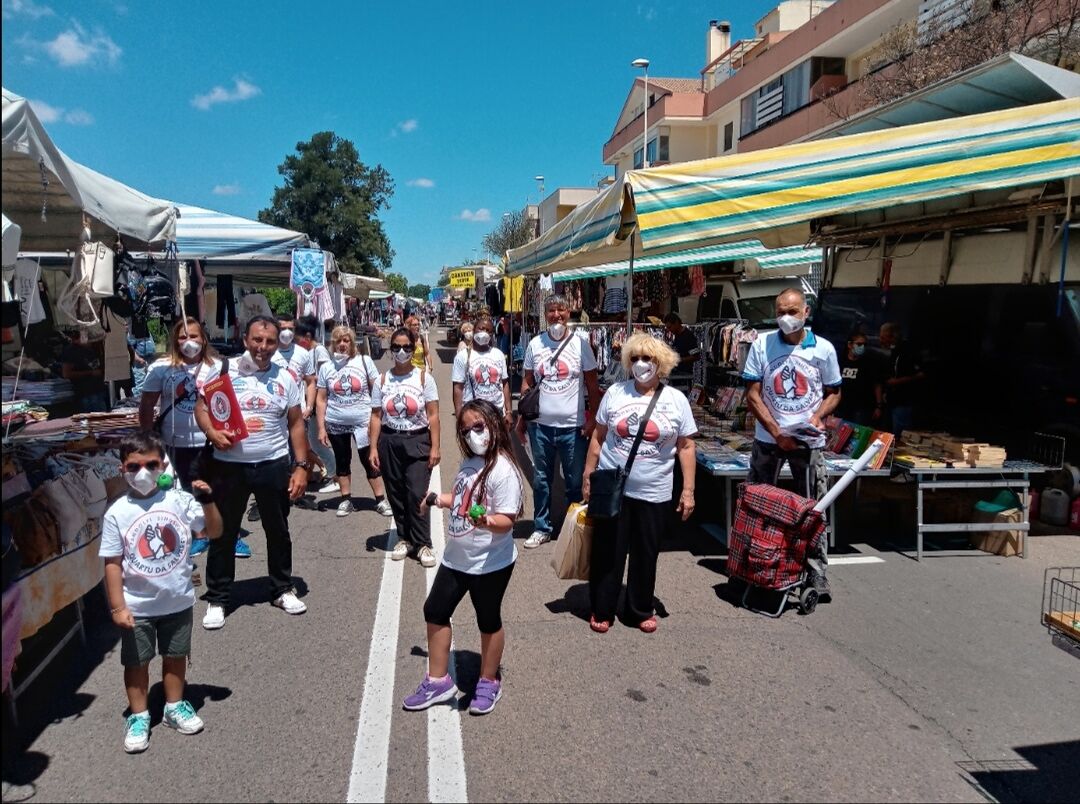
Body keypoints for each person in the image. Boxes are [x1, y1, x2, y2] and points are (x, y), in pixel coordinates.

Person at [99, 432, 223, 753]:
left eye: (151, 465)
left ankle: (174, 705)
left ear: (163, 465)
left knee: (175, 655)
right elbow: (112, 563)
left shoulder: (178, 500)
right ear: (121, 468)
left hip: (177, 600)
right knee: (137, 662)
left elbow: (212, 531)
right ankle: (139, 715)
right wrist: (117, 606)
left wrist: (207, 501)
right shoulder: (117, 513)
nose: (142, 473)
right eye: (133, 466)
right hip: (138, 605)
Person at [405, 400, 523, 715]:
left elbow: (508, 520)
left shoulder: (503, 470)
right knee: (435, 609)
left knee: (488, 619)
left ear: (495, 425)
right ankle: (438, 679)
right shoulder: (470, 463)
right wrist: (436, 499)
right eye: (466, 429)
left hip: (490, 563)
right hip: (457, 558)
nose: (473, 434)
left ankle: (488, 680)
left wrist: (485, 521)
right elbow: (462, 498)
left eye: (479, 426)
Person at [194, 315, 311, 629]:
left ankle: (281, 589)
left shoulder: (286, 377)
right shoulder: (223, 370)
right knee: (223, 533)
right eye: (257, 340)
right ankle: (218, 597)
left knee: (278, 530)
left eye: (270, 341)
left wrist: (300, 467)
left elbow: (296, 423)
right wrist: (210, 432)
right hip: (228, 466)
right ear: (245, 339)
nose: (263, 347)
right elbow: (201, 407)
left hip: (272, 463)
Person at [582, 334, 698, 634]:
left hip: (655, 490)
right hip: (613, 488)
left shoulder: (676, 400)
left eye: (647, 359)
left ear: (661, 363)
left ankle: (638, 608)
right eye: (634, 359)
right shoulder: (615, 393)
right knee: (608, 551)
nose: (641, 364)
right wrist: (588, 474)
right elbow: (598, 436)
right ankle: (603, 608)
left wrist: (688, 490)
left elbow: (686, 446)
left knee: (646, 552)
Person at [742, 288, 841, 597]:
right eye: (780, 312)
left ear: (805, 313)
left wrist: (818, 417)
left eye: (792, 312)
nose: (785, 318)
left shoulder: (823, 349)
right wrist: (776, 433)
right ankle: (752, 564)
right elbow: (753, 394)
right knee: (757, 502)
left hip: (807, 442)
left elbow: (834, 391)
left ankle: (815, 572)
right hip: (769, 440)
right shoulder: (762, 344)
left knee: (814, 507)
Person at [517, 294, 602, 549]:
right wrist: (523, 420)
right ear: (546, 314)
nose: (556, 315)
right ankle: (542, 527)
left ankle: (573, 530)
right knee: (541, 479)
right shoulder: (535, 344)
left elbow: (592, 385)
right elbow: (527, 383)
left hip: (573, 428)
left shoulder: (581, 344)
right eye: (552, 311)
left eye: (561, 310)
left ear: (569, 313)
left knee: (575, 482)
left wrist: (593, 421)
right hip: (540, 426)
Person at [139, 317, 223, 557]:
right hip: (176, 440)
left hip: (210, 439)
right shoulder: (161, 368)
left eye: (194, 336)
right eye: (183, 336)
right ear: (175, 340)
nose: (189, 342)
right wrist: (147, 440)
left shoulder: (217, 366)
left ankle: (226, 533)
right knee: (186, 489)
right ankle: (199, 533)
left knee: (217, 487)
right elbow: (146, 406)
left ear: (204, 339)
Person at [369, 328, 441, 568]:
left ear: (414, 349)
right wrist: (373, 448)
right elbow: (376, 416)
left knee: (416, 492)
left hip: (417, 440)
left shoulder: (423, 378)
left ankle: (422, 543)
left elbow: (433, 416)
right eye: (397, 347)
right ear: (391, 349)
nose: (401, 352)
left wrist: (435, 448)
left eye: (406, 347)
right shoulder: (382, 379)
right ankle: (404, 538)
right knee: (396, 493)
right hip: (390, 440)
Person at [316, 325, 393, 518]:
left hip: (363, 421)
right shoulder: (326, 367)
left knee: (370, 461)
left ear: (352, 343)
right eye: (338, 341)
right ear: (333, 344)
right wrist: (321, 427)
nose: (342, 344)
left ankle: (380, 500)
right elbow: (321, 399)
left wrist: (378, 418)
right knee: (342, 461)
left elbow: (377, 390)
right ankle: (345, 499)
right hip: (335, 422)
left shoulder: (364, 361)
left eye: (346, 340)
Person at [296, 315, 337, 489]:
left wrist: (310, 380)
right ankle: (327, 472)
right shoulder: (306, 352)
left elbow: (326, 374)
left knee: (316, 441)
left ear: (306, 336)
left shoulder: (318, 350)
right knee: (312, 440)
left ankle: (333, 475)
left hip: (317, 401)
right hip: (306, 399)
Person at [452, 315, 511, 423]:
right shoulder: (462, 356)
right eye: (481, 328)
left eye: (488, 330)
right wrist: (459, 415)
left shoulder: (498, 354)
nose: (484, 332)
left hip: (497, 414)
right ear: (474, 330)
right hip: (473, 414)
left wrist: (509, 412)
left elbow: (505, 384)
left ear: (492, 335)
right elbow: (458, 388)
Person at [878, 322, 925, 437]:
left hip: (904, 400)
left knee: (900, 432)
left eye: (884, 337)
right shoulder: (893, 352)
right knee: (887, 432)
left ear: (892, 336)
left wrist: (897, 381)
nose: (881, 340)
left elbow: (921, 374)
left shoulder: (908, 350)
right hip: (891, 399)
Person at [836, 331, 885, 426]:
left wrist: (879, 406)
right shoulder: (840, 361)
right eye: (859, 344)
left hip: (862, 408)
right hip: (841, 406)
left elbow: (877, 385)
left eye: (864, 344)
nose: (862, 347)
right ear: (850, 345)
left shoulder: (869, 363)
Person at [61, 330, 107, 413]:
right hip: (85, 392)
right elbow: (66, 373)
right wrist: (90, 373)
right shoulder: (71, 351)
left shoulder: (92, 347)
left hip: (98, 389)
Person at [663, 313, 700, 390]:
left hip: (684, 375)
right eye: (667, 328)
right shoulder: (677, 335)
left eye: (670, 327)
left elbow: (696, 356)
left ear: (676, 323)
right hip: (676, 373)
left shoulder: (688, 336)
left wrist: (680, 360)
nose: (669, 330)